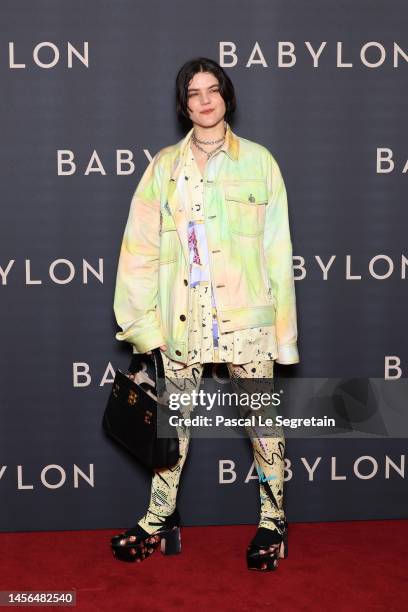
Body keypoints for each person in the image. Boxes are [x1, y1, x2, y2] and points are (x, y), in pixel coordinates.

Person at [110, 57, 299, 571]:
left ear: (227, 97)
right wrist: (144, 328)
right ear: (183, 104)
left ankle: (272, 518)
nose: (205, 100)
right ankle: (160, 516)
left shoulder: (260, 162)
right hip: (180, 322)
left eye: (213, 90)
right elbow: (139, 251)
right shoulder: (164, 168)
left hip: (247, 322)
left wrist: (284, 339)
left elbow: (278, 252)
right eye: (194, 93)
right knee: (171, 427)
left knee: (263, 426)